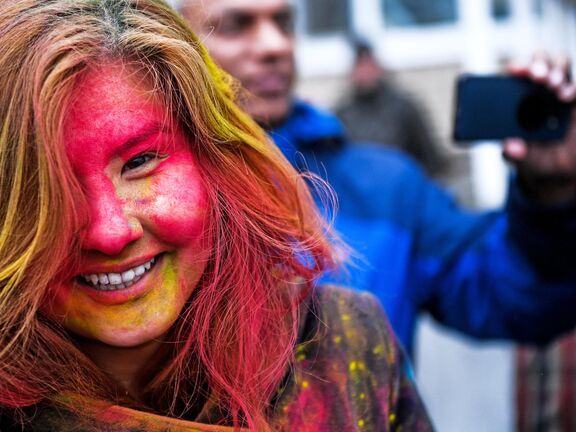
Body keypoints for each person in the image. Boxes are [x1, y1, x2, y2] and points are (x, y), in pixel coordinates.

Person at [0, 0, 433, 430]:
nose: (110, 230)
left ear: (210, 158)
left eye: (141, 162)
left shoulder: (346, 352)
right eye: (40, 186)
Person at [177, 0, 576, 355]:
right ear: (176, 44)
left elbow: (516, 300)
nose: (276, 45)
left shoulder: (390, 188)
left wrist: (552, 198)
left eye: (283, 22)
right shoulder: (145, 199)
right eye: (235, 24)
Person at [334, 39, 448, 176]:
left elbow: (430, 157)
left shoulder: (404, 108)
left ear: (378, 68)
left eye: (368, 65)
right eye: (360, 66)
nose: (365, 73)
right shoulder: (342, 114)